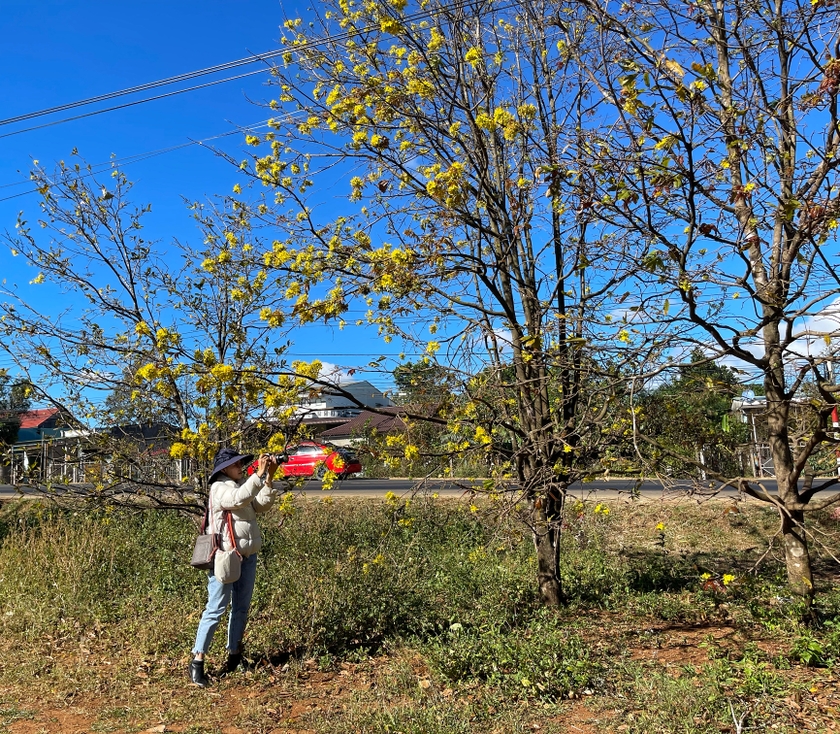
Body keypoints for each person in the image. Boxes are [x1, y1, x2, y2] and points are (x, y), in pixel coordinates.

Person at [189, 447, 279, 687]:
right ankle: (197, 661)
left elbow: (261, 505)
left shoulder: (240, 487)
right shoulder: (219, 488)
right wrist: (258, 475)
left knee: (241, 608)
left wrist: (268, 478)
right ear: (224, 468)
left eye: (242, 464)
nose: (242, 467)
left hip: (247, 556)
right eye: (237, 464)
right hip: (225, 557)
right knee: (216, 609)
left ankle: (234, 655)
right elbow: (237, 499)